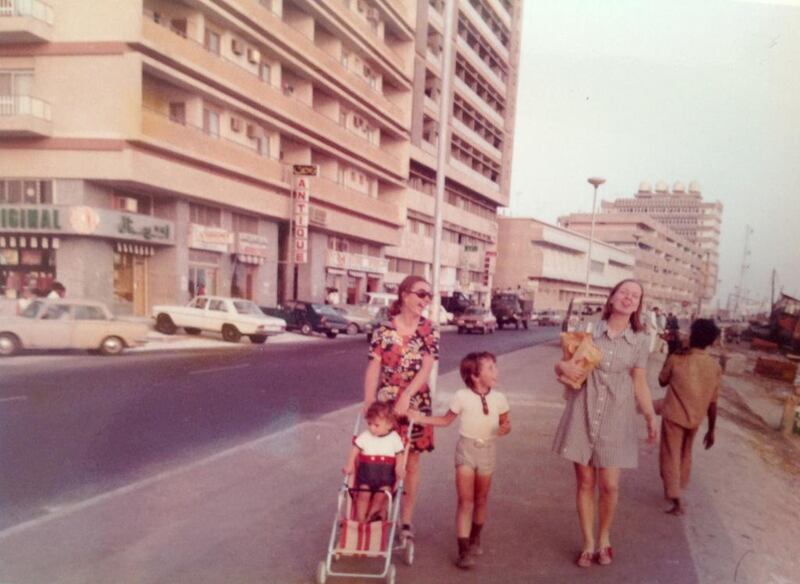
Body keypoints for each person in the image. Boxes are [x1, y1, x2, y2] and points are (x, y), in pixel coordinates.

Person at [552, 279, 658, 568]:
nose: (628, 298)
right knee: (585, 482)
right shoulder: (587, 330)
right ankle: (588, 543)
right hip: (582, 412)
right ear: (611, 298)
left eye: (635, 295)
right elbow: (562, 365)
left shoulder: (639, 340)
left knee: (609, 485)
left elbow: (640, 381)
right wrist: (564, 366)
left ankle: (604, 538)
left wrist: (650, 417)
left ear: (638, 305)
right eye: (623, 292)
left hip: (617, 417)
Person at [409, 352, 511, 570]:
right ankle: (463, 550)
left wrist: (505, 429)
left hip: (487, 451)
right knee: (466, 501)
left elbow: (506, 423)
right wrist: (420, 418)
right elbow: (446, 420)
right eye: (490, 368)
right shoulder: (461, 396)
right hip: (466, 450)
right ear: (475, 376)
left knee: (481, 499)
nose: (496, 372)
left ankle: (475, 537)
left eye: (495, 367)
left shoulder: (500, 398)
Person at [364, 275, 440, 542]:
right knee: (386, 457)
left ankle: (406, 520)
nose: (425, 300)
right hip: (387, 405)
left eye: (429, 296)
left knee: (412, 462)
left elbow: (427, 366)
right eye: (421, 294)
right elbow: (374, 367)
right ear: (405, 294)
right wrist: (368, 402)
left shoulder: (429, 329)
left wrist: (407, 395)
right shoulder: (384, 330)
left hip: (415, 404)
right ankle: (381, 511)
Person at [657, 319, 722, 516]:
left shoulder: (678, 358)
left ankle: (676, 499)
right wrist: (711, 430)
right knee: (685, 453)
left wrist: (670, 354)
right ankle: (678, 487)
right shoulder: (714, 367)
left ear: (692, 336)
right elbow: (713, 402)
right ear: (710, 341)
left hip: (674, 415)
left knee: (670, 455)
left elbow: (662, 380)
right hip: (696, 418)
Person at [342, 401, 406, 523]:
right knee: (363, 495)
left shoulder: (394, 438)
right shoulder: (365, 436)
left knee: (380, 496)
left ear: (389, 424)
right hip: (366, 476)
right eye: (369, 424)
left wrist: (399, 467)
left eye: (376, 425)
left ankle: (371, 518)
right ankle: (361, 520)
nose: (372, 428)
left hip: (386, 477)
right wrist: (350, 465)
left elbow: (400, 454)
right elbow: (355, 450)